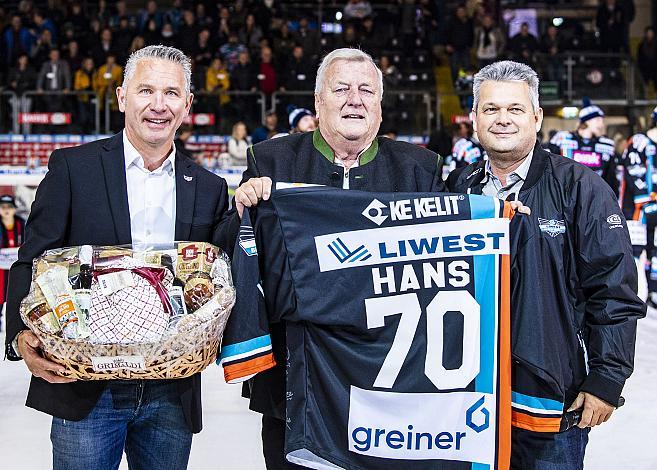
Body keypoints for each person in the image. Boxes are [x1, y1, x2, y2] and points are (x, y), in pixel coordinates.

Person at [217, 47, 448, 470]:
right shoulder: (272, 159)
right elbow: (238, 250)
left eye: (366, 90)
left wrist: (506, 223)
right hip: (293, 380)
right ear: (318, 102)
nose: (354, 99)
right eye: (340, 89)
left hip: (389, 387)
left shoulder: (420, 170)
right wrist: (242, 208)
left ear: (380, 105)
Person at [4, 45, 231, 470]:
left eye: (171, 93)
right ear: (123, 97)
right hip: (86, 385)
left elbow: (217, 279)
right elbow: (30, 259)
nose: (158, 105)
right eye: (146, 90)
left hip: (170, 389)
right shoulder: (73, 168)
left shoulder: (210, 187)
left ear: (187, 105)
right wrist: (19, 337)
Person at [446, 60, 644, 469]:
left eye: (515, 109)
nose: (503, 119)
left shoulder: (582, 187)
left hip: (552, 399)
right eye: (491, 109)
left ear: (536, 117)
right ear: (474, 119)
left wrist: (607, 379)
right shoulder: (457, 188)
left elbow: (614, 290)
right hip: (466, 397)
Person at [619, 105, 657, 306]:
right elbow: (634, 174)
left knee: (655, 250)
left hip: (654, 207)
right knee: (633, 252)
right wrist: (648, 200)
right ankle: (629, 295)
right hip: (636, 210)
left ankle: (653, 292)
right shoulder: (639, 142)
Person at [547, 98, 619, 195]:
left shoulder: (606, 145)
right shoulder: (562, 139)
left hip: (594, 199)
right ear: (588, 121)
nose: (601, 124)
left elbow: (610, 178)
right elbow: (547, 167)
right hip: (565, 198)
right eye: (598, 120)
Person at [0, 195, 25, 324]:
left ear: (14, 209)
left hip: (16, 270)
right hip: (0, 273)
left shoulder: (21, 224)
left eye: (9, 207)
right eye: (3, 207)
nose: (6, 210)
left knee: (15, 301)